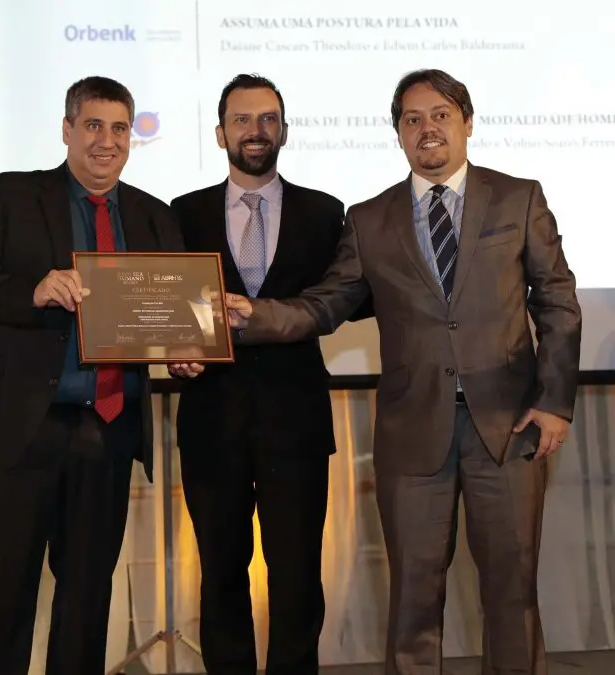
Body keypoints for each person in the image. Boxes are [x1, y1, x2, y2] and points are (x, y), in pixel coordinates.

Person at [220, 69, 581, 674]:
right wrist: (255, 316)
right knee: (413, 602)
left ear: (467, 123)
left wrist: (554, 400)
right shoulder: (370, 219)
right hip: (412, 436)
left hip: (510, 428)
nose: (427, 128)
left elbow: (558, 303)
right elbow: (326, 305)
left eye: (440, 115)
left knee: (512, 594)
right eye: (412, 119)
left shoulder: (519, 198)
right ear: (398, 134)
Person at [0, 75, 184, 675]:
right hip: (16, 429)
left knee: (87, 601)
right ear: (67, 130)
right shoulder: (10, 196)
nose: (107, 141)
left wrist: (184, 351)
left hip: (108, 431)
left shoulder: (154, 217)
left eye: (120, 128)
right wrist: (33, 290)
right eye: (93, 125)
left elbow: (167, 315)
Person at [168, 73, 364, 675]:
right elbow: (166, 309)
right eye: (243, 120)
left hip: (295, 425)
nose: (256, 131)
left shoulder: (326, 213)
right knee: (220, 574)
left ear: (284, 130)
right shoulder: (182, 214)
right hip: (211, 423)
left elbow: (342, 301)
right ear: (220, 132)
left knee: (298, 577)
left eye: (268, 119)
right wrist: (174, 353)